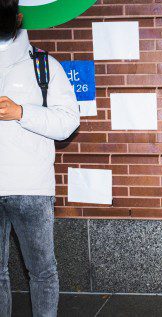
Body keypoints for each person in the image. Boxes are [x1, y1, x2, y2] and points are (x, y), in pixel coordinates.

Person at [0, 0, 80, 316]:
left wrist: (21, 112)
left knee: (42, 270)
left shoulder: (42, 64)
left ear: (18, 18)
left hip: (30, 187)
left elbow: (68, 122)